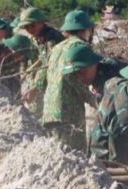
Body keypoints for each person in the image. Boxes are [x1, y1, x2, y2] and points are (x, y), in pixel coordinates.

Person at [42, 10, 98, 150]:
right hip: (69, 114)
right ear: (86, 29)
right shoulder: (80, 47)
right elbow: (74, 79)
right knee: (75, 157)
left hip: (49, 111)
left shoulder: (56, 48)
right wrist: (94, 101)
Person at [16, 7, 64, 118]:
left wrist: (36, 87)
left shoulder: (52, 38)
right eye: (26, 26)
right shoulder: (37, 38)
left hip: (60, 82)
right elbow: (41, 57)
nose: (29, 29)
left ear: (41, 23)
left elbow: (50, 64)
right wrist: (28, 70)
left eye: (32, 25)